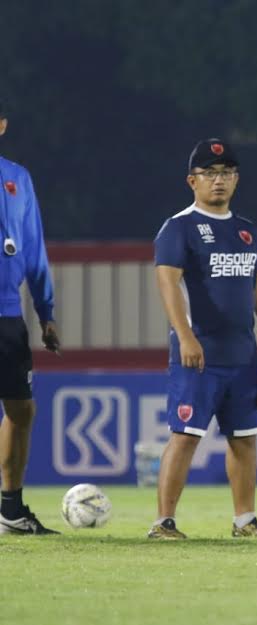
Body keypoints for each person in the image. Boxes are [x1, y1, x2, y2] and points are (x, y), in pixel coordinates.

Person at [150, 138, 257, 539]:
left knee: (245, 439)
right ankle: (163, 522)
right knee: (185, 436)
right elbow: (169, 284)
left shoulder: (247, 231)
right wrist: (186, 336)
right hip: (198, 355)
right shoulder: (179, 227)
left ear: (236, 179)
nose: (218, 181)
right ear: (191, 180)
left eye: (226, 173)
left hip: (243, 355)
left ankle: (245, 520)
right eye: (209, 174)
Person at [0, 99, 61, 535]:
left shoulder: (17, 178)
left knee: (21, 410)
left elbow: (34, 249)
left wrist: (46, 312)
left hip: (7, 316)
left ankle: (11, 509)